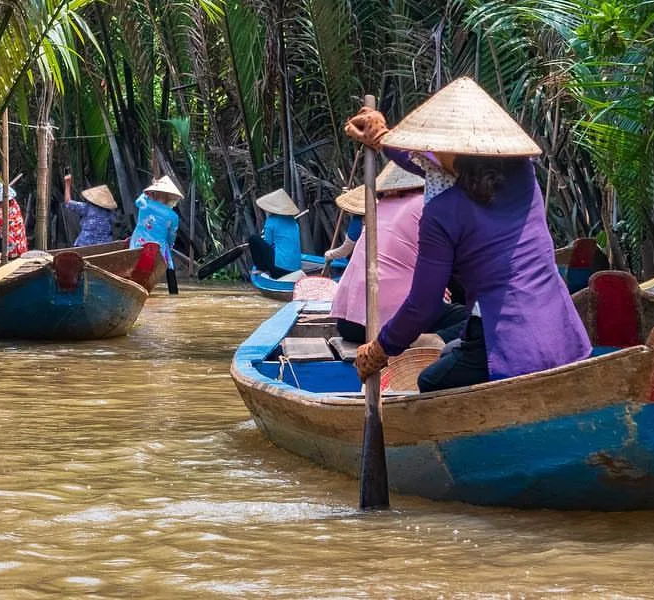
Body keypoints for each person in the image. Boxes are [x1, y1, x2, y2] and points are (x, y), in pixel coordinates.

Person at [345, 77, 592, 393]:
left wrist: (380, 349)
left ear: (451, 151)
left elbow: (422, 305)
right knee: (450, 351)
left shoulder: (441, 212)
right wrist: (382, 138)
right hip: (564, 335)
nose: (426, 152)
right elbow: (435, 168)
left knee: (430, 382)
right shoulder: (522, 175)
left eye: (432, 146)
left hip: (506, 346)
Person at [328, 163, 469, 344]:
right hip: (391, 324)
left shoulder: (380, 206)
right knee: (480, 321)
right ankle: (429, 341)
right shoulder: (428, 206)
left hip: (349, 324)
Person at [131, 176, 182, 294]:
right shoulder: (173, 216)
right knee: (170, 266)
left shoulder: (144, 204)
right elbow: (171, 236)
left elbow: (138, 200)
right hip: (160, 248)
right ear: (170, 197)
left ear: (154, 193)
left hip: (138, 243)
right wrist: (170, 246)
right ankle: (173, 292)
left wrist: (149, 191)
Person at [249, 189, 303, 277]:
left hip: (279, 269)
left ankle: (261, 269)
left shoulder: (271, 221)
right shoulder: (293, 221)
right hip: (296, 268)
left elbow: (268, 243)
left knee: (253, 239)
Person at [63, 174, 118, 247]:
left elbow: (68, 202)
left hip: (85, 244)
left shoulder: (87, 208)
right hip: (105, 245)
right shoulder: (110, 213)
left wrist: (67, 183)